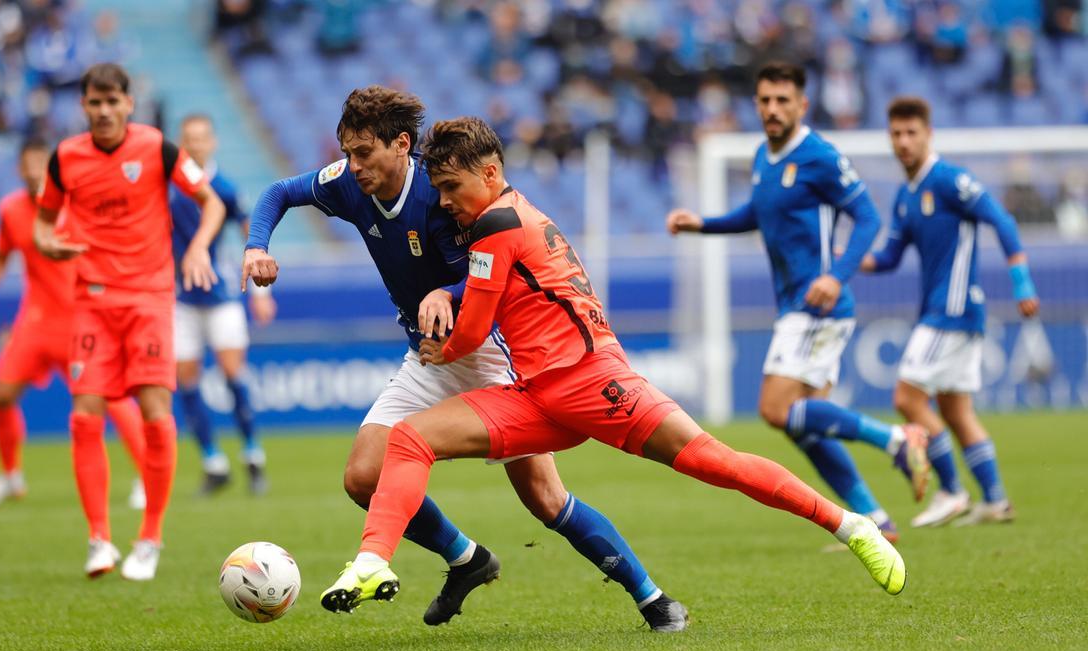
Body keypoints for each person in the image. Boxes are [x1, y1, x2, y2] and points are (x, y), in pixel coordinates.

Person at [306, 115, 907, 618]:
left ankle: (849, 524)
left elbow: (468, 338)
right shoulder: (511, 214)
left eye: (450, 187)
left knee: (713, 462)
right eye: (436, 189)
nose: (444, 203)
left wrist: (441, 331)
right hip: (538, 396)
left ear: (490, 174)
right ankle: (372, 560)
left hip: (596, 385)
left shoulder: (494, 228)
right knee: (411, 439)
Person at [244, 86, 686, 630]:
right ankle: (467, 559)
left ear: (402, 145)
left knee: (546, 500)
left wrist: (447, 292)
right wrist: (257, 246)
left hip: (488, 356)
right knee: (362, 476)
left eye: (364, 153)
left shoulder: (442, 192)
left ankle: (653, 597)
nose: (351, 165)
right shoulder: (346, 185)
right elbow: (277, 193)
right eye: (347, 152)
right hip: (427, 357)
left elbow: (490, 270)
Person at [665, 62, 930, 540]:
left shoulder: (819, 156)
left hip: (818, 304)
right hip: (794, 304)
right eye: (765, 100)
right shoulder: (764, 157)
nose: (772, 109)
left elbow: (867, 217)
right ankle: (877, 521)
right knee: (805, 428)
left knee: (774, 409)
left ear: (802, 105)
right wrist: (702, 224)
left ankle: (896, 439)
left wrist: (836, 275)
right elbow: (757, 213)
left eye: (782, 100)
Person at [33, 63, 225, 580]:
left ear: (128, 102)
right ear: (83, 106)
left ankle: (150, 537)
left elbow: (211, 204)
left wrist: (198, 249)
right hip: (93, 299)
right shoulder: (66, 158)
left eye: (112, 101)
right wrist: (48, 244)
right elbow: (43, 222)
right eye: (94, 103)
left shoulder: (157, 148)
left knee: (155, 411)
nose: (103, 111)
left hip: (148, 297)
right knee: (83, 414)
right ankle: (99, 539)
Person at [860, 96, 1038, 527]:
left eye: (911, 133)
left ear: (928, 134)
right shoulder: (906, 196)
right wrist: (842, 262)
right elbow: (887, 258)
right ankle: (995, 500)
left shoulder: (950, 180)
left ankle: (951, 490)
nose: (903, 142)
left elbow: (1002, 220)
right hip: (948, 313)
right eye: (896, 134)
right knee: (957, 411)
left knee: (906, 397)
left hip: (952, 310)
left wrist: (1021, 281)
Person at [0, 139, 147, 514]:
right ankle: (10, 476)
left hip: (83, 320)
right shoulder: (11, 209)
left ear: (54, 169)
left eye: (40, 164)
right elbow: (0, 258)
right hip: (36, 322)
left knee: (113, 397)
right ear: (18, 169)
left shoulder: (78, 205)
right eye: (27, 164)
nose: (33, 171)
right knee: (0, 396)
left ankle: (147, 477)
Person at [171, 113, 276, 496]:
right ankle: (213, 462)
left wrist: (262, 293)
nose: (196, 144)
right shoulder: (169, 187)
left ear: (212, 142)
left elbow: (251, 236)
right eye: (189, 138)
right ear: (181, 143)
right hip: (181, 300)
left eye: (202, 137)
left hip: (220, 298)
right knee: (185, 380)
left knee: (234, 375)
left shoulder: (226, 188)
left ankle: (252, 454)